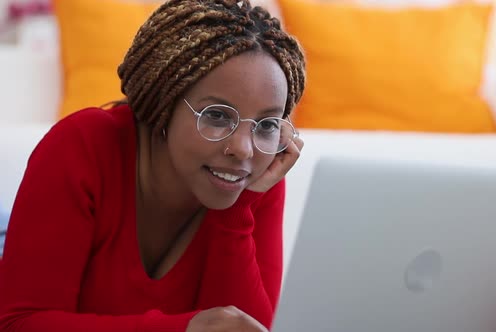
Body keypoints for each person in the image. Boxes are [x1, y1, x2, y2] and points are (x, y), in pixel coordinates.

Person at [0, 0, 305, 331]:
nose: (243, 149)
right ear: (164, 102)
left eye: (267, 124)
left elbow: (244, 327)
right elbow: (19, 323)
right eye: (216, 116)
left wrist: (238, 211)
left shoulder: (258, 174)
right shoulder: (82, 145)